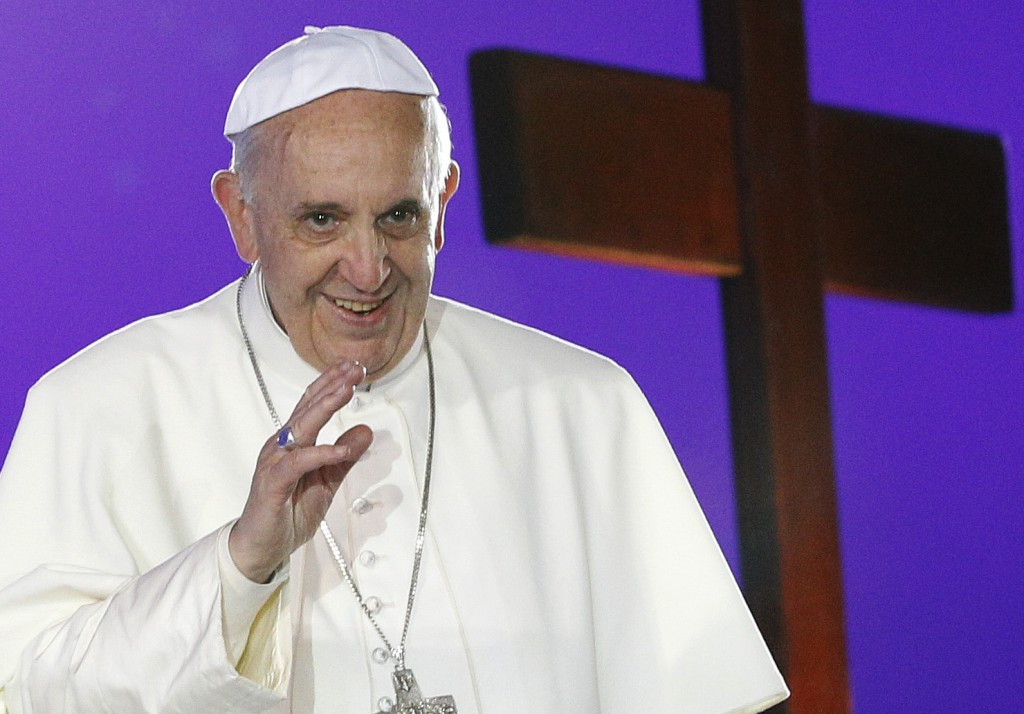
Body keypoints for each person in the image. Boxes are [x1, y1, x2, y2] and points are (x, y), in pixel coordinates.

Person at [0, 25, 788, 714]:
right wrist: (241, 563)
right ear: (241, 214)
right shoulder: (97, 405)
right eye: (321, 219)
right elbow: (34, 694)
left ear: (442, 199)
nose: (368, 270)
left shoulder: (582, 403)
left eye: (399, 216)